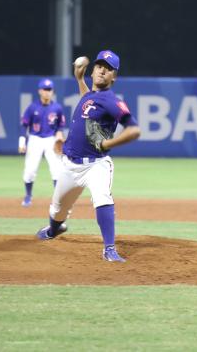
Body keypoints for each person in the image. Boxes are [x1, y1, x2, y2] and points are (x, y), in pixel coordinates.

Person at [36, 49, 140, 262]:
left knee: (102, 198)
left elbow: (134, 129)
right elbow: (87, 100)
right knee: (57, 210)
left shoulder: (111, 100)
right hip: (69, 165)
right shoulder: (90, 96)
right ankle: (54, 229)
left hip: (96, 165)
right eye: (100, 66)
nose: (102, 70)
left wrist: (108, 143)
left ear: (114, 77)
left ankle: (109, 249)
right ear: (93, 71)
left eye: (108, 69)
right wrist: (79, 78)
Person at [18, 77, 66, 207]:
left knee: (57, 171)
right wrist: (22, 142)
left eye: (49, 89)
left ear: (52, 91)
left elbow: (60, 126)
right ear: (40, 91)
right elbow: (24, 125)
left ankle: (57, 199)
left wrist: (59, 136)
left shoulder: (57, 108)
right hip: (35, 139)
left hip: (51, 139)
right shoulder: (32, 107)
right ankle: (28, 195)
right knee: (30, 170)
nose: (47, 92)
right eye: (45, 89)